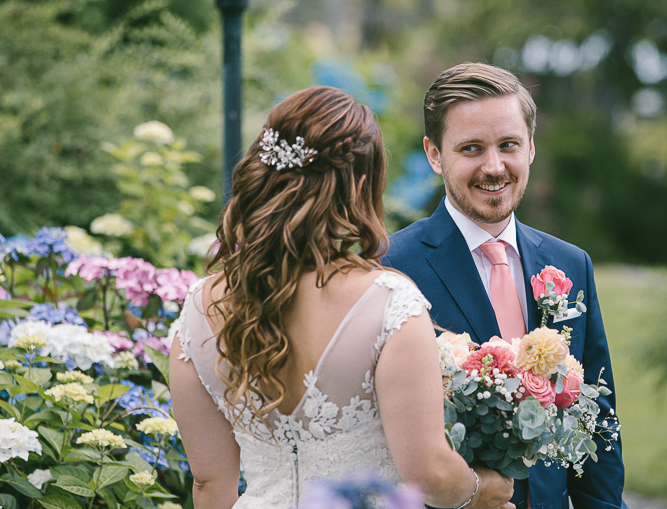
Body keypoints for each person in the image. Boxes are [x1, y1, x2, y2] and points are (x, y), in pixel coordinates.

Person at [169, 86, 515, 509]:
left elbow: (208, 484)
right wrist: (482, 491)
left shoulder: (201, 307)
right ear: (361, 184)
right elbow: (429, 473)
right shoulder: (389, 304)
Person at [382, 63, 626, 509]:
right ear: (434, 154)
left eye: (508, 145)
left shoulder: (571, 265)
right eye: (471, 148)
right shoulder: (391, 268)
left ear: (531, 148)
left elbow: (599, 423)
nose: (494, 167)